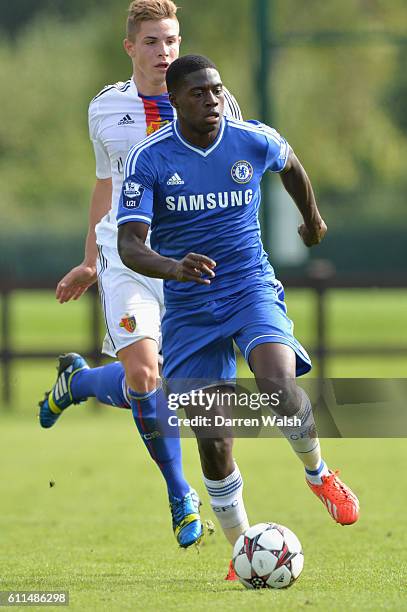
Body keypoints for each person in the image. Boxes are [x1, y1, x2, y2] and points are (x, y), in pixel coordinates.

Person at [115, 55, 360, 561]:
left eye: (217, 90)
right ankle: (242, 551)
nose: (213, 100)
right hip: (189, 305)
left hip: (249, 285)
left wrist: (312, 220)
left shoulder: (251, 138)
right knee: (214, 440)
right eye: (200, 93)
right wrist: (172, 266)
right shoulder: (151, 159)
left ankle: (319, 473)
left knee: (276, 381)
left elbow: (290, 163)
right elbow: (130, 245)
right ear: (176, 100)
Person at [39, 1, 243, 553]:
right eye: (152, 41)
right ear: (131, 47)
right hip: (128, 257)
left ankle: (77, 382)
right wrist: (88, 260)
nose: (164, 52)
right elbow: (105, 188)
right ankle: (181, 493)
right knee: (146, 374)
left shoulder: (215, 100)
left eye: (172, 40)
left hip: (188, 262)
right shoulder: (106, 108)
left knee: (165, 388)